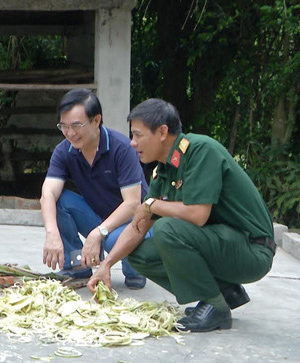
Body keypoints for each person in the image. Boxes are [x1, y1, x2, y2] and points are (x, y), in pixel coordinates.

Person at [87, 98, 276, 332]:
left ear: (163, 132)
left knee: (167, 229)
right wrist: (106, 265)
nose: (132, 143)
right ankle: (224, 290)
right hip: (223, 245)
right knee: (138, 254)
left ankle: (215, 307)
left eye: (138, 135)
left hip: (252, 250)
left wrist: (151, 204)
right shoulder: (164, 170)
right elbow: (140, 226)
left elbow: (197, 215)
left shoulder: (201, 151)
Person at [41, 88, 148, 289]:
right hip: (98, 216)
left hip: (132, 222)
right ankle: (77, 267)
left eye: (77, 125)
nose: (70, 133)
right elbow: (48, 193)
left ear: (96, 120)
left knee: (115, 243)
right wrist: (51, 232)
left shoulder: (121, 148)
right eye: (63, 126)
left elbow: (133, 204)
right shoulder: (64, 150)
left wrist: (97, 233)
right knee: (58, 200)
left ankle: (135, 268)